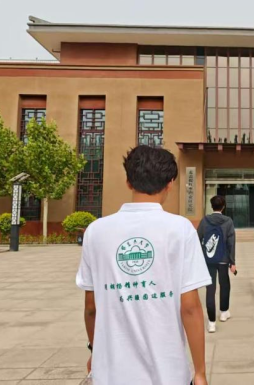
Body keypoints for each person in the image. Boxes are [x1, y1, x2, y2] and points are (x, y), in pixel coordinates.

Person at [76, 145, 211, 385]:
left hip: (110, 374)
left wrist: (95, 351)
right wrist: (200, 372)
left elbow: (91, 306)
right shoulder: (180, 229)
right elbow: (190, 307)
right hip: (167, 373)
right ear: (170, 183)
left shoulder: (96, 231)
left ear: (128, 182)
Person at [197, 195, 236, 333]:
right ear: (223, 207)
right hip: (223, 259)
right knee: (224, 284)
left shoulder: (205, 221)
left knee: (210, 289)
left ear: (211, 206)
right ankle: (224, 312)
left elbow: (197, 238)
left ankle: (211, 323)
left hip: (208, 260)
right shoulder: (228, 221)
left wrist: (200, 257)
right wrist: (232, 262)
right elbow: (231, 243)